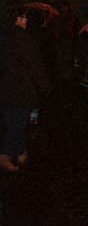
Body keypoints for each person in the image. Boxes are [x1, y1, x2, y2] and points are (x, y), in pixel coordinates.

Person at [0, 9, 49, 171]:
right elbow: (34, 64)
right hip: (22, 87)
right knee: (18, 122)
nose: (26, 21)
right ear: (18, 19)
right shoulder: (24, 38)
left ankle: (21, 153)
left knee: (12, 121)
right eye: (24, 18)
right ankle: (5, 155)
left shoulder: (5, 37)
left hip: (6, 87)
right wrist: (44, 84)